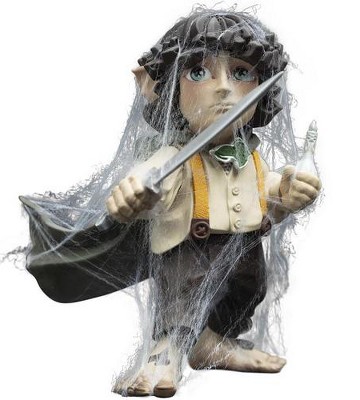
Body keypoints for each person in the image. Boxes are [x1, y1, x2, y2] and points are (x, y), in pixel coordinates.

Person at [106, 8, 321, 398]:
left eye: (240, 73)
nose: (223, 89)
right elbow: (151, 180)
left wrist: (288, 192)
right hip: (190, 249)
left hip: (245, 247)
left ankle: (212, 344)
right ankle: (163, 355)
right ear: (167, 88)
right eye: (198, 72)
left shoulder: (250, 155)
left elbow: (266, 188)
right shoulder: (176, 156)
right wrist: (134, 194)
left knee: (248, 289)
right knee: (181, 302)